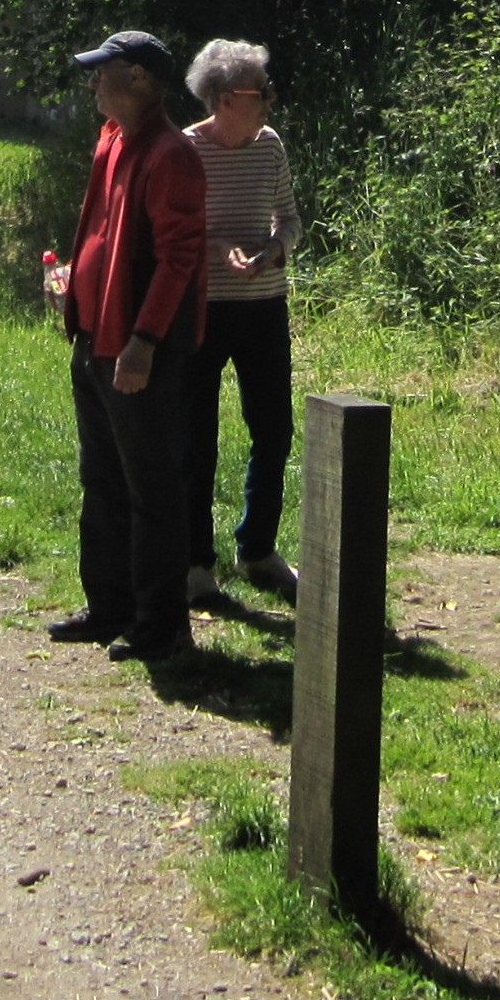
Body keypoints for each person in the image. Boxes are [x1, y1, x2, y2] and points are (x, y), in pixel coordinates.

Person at [46, 29, 208, 663]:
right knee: (103, 479)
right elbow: (102, 232)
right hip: (95, 338)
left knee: (152, 489)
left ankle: (160, 623)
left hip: (137, 349)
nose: (92, 82)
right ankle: (108, 605)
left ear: (138, 78)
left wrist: (143, 343)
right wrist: (72, 283)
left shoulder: (171, 154)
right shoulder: (113, 140)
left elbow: (178, 261)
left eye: (102, 71)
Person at [182, 38, 301, 603]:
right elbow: (174, 236)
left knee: (274, 429)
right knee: (195, 436)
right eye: (263, 92)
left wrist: (272, 252)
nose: (270, 102)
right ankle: (193, 562)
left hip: (265, 306)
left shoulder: (270, 145)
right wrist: (224, 247)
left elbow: (290, 221)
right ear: (229, 98)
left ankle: (257, 549)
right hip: (205, 309)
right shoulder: (186, 151)